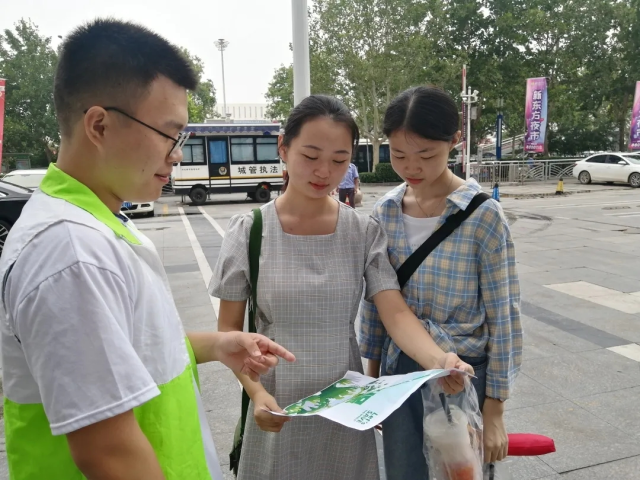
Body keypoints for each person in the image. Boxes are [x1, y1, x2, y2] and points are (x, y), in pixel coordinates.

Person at [0, 19, 294, 480]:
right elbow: (109, 453)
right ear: (99, 125)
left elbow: (128, 350)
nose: (177, 154)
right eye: (169, 134)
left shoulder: (98, 223)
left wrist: (218, 344)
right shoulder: (70, 252)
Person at [209, 94, 474, 480]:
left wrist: (440, 360)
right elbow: (228, 334)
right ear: (283, 148)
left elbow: (395, 312)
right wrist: (256, 392)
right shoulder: (249, 231)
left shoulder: (362, 231)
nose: (324, 172)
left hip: (344, 405)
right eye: (310, 156)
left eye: (339, 160)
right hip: (276, 401)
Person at [358, 86, 523, 480]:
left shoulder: (483, 216)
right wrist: (373, 379)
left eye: (427, 155)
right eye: (399, 155)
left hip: (461, 375)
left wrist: (495, 410)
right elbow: (377, 303)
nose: (411, 167)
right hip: (400, 374)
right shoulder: (386, 212)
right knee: (403, 472)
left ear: (454, 141)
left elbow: (503, 316)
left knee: (461, 474)